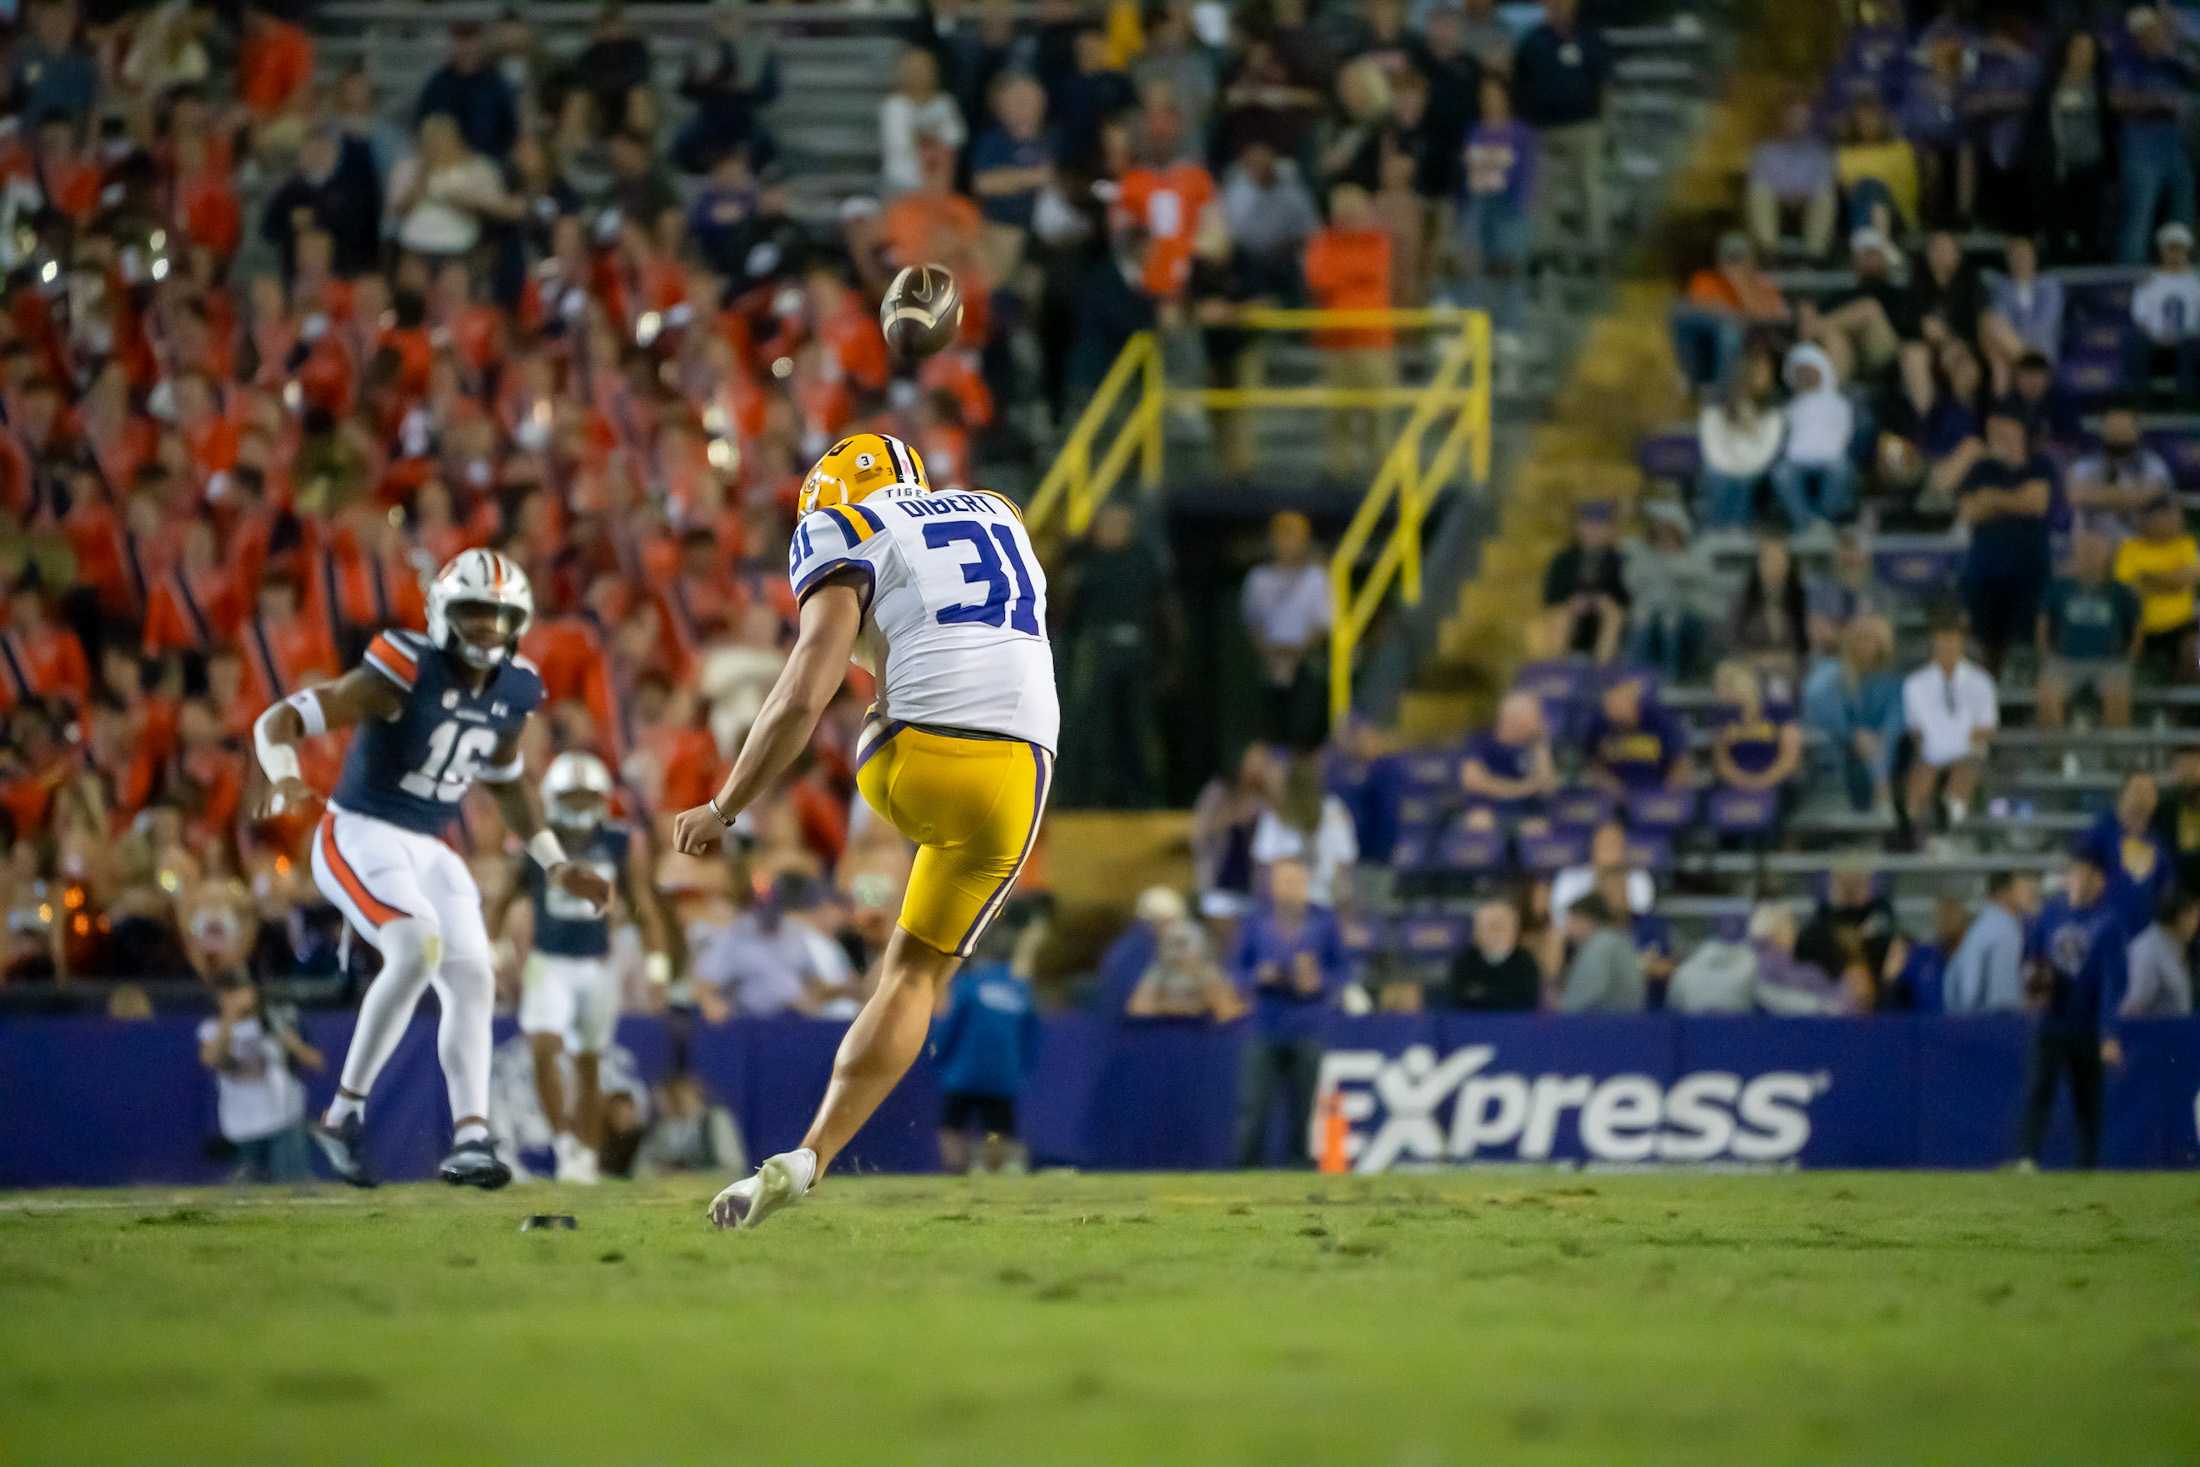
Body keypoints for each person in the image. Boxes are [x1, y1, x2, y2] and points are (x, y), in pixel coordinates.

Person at [671, 435, 1058, 1231]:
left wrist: (726, 806)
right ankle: (806, 1160)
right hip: (1025, 773)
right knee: (915, 977)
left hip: (913, 758)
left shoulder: (841, 524)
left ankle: (806, 1150)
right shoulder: (1001, 508)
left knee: (865, 688)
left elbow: (805, 686)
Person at [252, 550, 611, 1190]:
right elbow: (278, 719)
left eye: (498, 617)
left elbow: (506, 783)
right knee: (416, 946)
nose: (484, 629)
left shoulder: (516, 688)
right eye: (472, 612)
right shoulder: (402, 668)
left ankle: (472, 1135)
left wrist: (556, 864)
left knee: (475, 975)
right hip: (359, 830)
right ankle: (344, 1114)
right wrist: (283, 777)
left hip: (429, 845)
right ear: (443, 612)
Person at [498, 751, 676, 1184]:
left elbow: (643, 905)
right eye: (571, 799)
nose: (579, 808)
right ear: (553, 798)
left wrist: (656, 967)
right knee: (543, 1047)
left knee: (588, 1063)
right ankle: (563, 1141)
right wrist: (493, 951)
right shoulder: (536, 845)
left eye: (586, 798)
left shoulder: (617, 842)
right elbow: (504, 899)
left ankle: (586, 1157)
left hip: (597, 964)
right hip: (547, 962)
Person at [1230, 858, 1346, 1165]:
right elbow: (1236, 972)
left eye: (1296, 881)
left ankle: (1299, 1164)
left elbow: (1343, 971)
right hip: (1265, 1023)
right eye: (1284, 881)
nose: (1290, 888)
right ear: (1272, 885)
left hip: (1307, 1023)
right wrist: (1259, 976)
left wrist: (1318, 981)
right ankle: (1246, 1168)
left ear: (1307, 885)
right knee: (1255, 1104)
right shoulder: (1255, 922)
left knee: (1304, 1106)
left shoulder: (1324, 921)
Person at [2019, 843, 2126, 1170]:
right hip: (2051, 1020)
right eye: (2074, 871)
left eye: (2085, 872)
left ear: (2099, 880)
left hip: (2085, 1025)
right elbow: (2030, 957)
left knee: (2087, 1101)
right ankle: (2028, 1159)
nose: (2077, 878)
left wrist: (2108, 1033)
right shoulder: (2050, 914)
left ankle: (2086, 1167)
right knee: (2039, 1090)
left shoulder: (2108, 924)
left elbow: (2112, 982)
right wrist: (2032, 986)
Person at [931, 916, 1042, 1175]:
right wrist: (1021, 1068)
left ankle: (957, 1172)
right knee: (999, 1128)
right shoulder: (1021, 989)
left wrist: (939, 1056)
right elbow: (1031, 1036)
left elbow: (949, 1027)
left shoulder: (968, 986)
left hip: (963, 1073)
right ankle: (1003, 1170)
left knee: (952, 1126)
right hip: (1003, 1074)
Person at [198, 973, 323, 1184]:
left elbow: (316, 1061)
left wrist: (289, 1041)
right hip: (242, 1123)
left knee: (294, 1186)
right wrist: (229, 1017)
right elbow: (211, 1059)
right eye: (230, 993)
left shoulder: (274, 1022)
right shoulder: (212, 1028)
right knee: (247, 1193)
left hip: (284, 1118)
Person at [1956, 410, 2054, 676]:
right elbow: (1968, 512)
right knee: (1985, 645)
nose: (1998, 436)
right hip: (1985, 570)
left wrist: (1991, 498)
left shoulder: (2040, 464)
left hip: (2029, 569)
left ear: (2020, 429)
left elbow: (2036, 503)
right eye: (1993, 431)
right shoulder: (1981, 468)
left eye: (2004, 428)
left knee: (2023, 643)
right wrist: (2015, 500)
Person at [1510, 0, 1610, 261]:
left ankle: (1595, 248)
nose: (1558, 6)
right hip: (1542, 128)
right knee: (1543, 189)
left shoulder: (1589, 37)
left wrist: (1603, 122)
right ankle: (1544, 249)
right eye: (1554, 3)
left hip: (1583, 126)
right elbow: (1519, 81)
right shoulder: (1533, 39)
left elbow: (1604, 82)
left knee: (1589, 185)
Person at [2109, 8, 2196, 265]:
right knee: (2139, 211)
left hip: (2172, 140)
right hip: (2140, 139)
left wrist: (2179, 49)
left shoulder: (2171, 62)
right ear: (2139, 35)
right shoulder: (2127, 61)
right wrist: (2157, 101)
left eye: (2160, 31)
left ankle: (2181, 270)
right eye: (2152, 32)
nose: (2158, 36)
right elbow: (2116, 101)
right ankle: (2128, 273)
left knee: (2183, 202)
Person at [1241, 511, 1331, 749]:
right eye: (1281, 536)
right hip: (1269, 664)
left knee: (1303, 732)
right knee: (1266, 734)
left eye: (1293, 537)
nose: (1287, 543)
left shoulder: (1316, 578)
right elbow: (1253, 624)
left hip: (1303, 664)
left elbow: (1322, 626)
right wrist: (1271, 658)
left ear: (1304, 541)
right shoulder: (1258, 578)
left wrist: (1293, 659)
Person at [1901, 615, 1998, 837]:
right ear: (1933, 645)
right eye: (1942, 641)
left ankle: (1950, 828)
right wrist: (1936, 748)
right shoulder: (1915, 684)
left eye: (1952, 641)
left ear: (1961, 643)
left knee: (1965, 767)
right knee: (1921, 775)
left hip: (1968, 748)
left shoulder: (1981, 681)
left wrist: (1955, 744)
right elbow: (1915, 729)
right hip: (1931, 749)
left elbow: (1987, 728)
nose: (1947, 647)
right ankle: (1914, 832)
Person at [2037, 528, 2141, 731]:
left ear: (2107, 555)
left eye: (2096, 551)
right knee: (2048, 694)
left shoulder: (2120, 592)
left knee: (2118, 695)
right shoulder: (2059, 588)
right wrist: (2047, 657)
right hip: (2065, 660)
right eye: (2085, 551)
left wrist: (2129, 659)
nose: (2090, 556)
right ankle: (2054, 759)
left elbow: (2136, 628)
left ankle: (2115, 758)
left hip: (2110, 661)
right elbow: (2043, 625)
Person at [1802, 614, 1904, 814]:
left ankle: (1882, 800)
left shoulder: (1892, 681)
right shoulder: (1831, 674)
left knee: (1884, 747)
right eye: (1861, 638)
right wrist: (1853, 735)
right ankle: (1880, 802)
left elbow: (1895, 719)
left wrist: (1880, 741)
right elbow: (1821, 712)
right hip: (1839, 745)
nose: (1865, 645)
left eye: (1872, 639)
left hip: (1879, 750)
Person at [1674, 237, 1789, 396]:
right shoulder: (1706, 280)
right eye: (1730, 258)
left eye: (1739, 257)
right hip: (1712, 343)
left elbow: (1774, 315)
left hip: (1756, 340)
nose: (1735, 263)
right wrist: (1733, 314)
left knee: (1741, 339)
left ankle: (1737, 399)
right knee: (1728, 332)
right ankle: (1713, 394)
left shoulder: (1762, 283)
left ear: (1751, 260)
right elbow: (1693, 311)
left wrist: (1739, 285)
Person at [1624, 501, 1719, 682]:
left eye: (1670, 534)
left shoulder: (1694, 558)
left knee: (1670, 621)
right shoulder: (1644, 558)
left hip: (1689, 624)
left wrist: (1671, 569)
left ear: (1680, 534)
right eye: (1660, 535)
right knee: (1644, 620)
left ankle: (1671, 678)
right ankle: (1638, 677)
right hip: (1652, 620)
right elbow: (1632, 584)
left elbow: (1703, 601)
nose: (1665, 540)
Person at [1251, 753, 1359, 910]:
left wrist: (1344, 915)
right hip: (1283, 907)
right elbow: (1263, 871)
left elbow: (1344, 869)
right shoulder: (1273, 816)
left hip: (1323, 904)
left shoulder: (1333, 810)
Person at [2112, 492, 2200, 682]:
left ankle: (2177, 710)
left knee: (2192, 649)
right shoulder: (2130, 548)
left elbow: (2189, 579)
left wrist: (2148, 577)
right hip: (2138, 626)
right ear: (2149, 519)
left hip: (2179, 624)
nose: (2177, 520)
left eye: (2177, 515)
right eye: (2169, 515)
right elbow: (2127, 590)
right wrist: (2172, 583)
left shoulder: (2186, 545)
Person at [1124, 887, 1246, 1020]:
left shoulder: (1206, 969)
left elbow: (1226, 1011)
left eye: (1164, 921)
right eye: (1154, 923)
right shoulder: (1151, 964)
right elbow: (1138, 1008)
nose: (1159, 928)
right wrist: (1179, 1007)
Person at [1771, 343, 1855, 531]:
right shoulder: (1789, 407)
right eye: (1800, 373)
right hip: (1797, 459)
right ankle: (1803, 523)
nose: (1806, 377)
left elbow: (1845, 432)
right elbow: (1783, 435)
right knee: (1781, 474)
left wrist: (1827, 448)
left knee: (1840, 470)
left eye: (1810, 371)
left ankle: (1823, 521)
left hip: (1830, 457)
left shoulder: (1838, 403)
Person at [1695, 360, 1784, 529]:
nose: (1747, 388)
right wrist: (1732, 467)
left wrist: (1744, 466)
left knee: (1745, 482)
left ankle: (1738, 528)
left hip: (1753, 467)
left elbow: (1767, 452)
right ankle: (1715, 528)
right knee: (1716, 476)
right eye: (1743, 383)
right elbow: (1712, 450)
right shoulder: (1713, 413)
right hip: (1721, 466)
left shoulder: (1772, 416)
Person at [1746, 98, 1838, 259]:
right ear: (1783, 119)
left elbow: (1823, 181)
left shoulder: (1819, 152)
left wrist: (1801, 194)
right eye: (1793, 117)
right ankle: (1769, 251)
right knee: (1759, 193)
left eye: (1802, 118)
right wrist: (1787, 194)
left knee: (1824, 196)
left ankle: (1814, 254)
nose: (1798, 122)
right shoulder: (1765, 151)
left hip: (1807, 203)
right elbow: (1760, 181)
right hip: (1777, 203)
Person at [2087, 771, 2171, 941]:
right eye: (2138, 790)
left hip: (2143, 935)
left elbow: (2166, 885)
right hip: (2104, 933)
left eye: (2149, 792)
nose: (2143, 798)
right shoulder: (2101, 832)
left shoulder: (2158, 841)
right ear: (2123, 795)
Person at [1539, 501, 1627, 662]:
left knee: (1614, 614)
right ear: (1578, 528)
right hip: (1571, 615)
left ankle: (1603, 666)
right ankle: (1557, 665)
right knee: (1560, 615)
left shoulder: (1619, 561)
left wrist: (1604, 600)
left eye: (1599, 526)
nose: (1593, 531)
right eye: (1588, 525)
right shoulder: (1563, 560)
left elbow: (1627, 595)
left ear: (1610, 531)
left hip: (1601, 617)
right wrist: (1571, 601)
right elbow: (1550, 595)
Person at [2068, 407, 2175, 539]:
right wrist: (2134, 496)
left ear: (2136, 431)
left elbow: (2154, 493)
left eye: (2123, 430)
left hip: (2142, 542)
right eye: (2114, 430)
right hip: (2098, 543)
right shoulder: (2086, 465)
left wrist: (2099, 495)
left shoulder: (2153, 463)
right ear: (2103, 431)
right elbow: (2076, 495)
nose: (2118, 435)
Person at [1943, 870, 2039, 1014]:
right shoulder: (2003, 927)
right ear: (2005, 893)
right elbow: (2000, 999)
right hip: (1996, 1023)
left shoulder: (1982, 925)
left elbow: (1955, 984)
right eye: (2024, 888)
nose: (2032, 893)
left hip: (1976, 1020)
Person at [1460, 691, 1559, 827]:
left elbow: (1548, 789)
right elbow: (1474, 781)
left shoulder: (1535, 746)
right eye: (1534, 717)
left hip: (1526, 812)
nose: (1539, 722)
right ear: (1513, 720)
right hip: (1489, 808)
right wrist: (1521, 789)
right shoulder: (1480, 741)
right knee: (1479, 821)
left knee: (1537, 827)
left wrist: (1542, 748)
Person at [1708, 660, 1802, 802]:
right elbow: (1721, 760)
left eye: (1727, 685)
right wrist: (1743, 782)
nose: (1721, 691)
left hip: (1777, 784)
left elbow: (1789, 757)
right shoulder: (1723, 716)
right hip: (1735, 786)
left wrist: (1762, 782)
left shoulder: (1778, 710)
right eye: (1719, 685)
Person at [2127, 223, 2200, 404]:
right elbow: (2140, 316)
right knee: (2136, 341)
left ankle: (2186, 402)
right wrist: (2155, 334)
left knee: (2191, 345)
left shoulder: (2196, 282)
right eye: (2171, 249)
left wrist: (2185, 334)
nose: (2175, 254)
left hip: (2189, 339)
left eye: (2179, 249)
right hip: (2155, 338)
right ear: (2162, 251)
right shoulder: (2149, 282)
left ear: (2187, 251)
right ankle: (2139, 401)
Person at [1582, 674, 1689, 794]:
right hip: (1615, 797)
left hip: (1656, 794)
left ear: (1632, 702)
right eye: (1608, 704)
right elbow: (1592, 764)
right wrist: (1612, 789)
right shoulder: (1599, 725)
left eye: (1617, 703)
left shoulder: (1659, 721)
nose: (1610, 709)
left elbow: (1680, 763)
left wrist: (1666, 796)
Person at [1439, 899, 1541, 1011]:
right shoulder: (1464, 962)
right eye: (1489, 927)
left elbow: (1525, 1003)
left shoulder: (1525, 963)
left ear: (1514, 930)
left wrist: (1482, 995)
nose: (1495, 933)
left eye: (1500, 926)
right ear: (1476, 932)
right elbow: (1457, 1002)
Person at [1556, 893, 1643, 1013]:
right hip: (1622, 1020)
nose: (1567, 928)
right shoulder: (1614, 939)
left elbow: (1579, 999)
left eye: (1572, 920)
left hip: (1611, 1023)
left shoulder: (1601, 945)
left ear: (1588, 920)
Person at [2122, 889, 2198, 1019]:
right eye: (2196, 916)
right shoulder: (2148, 950)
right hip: (2154, 1037)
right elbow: (2134, 1010)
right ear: (2182, 916)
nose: (2197, 924)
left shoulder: (2174, 946)